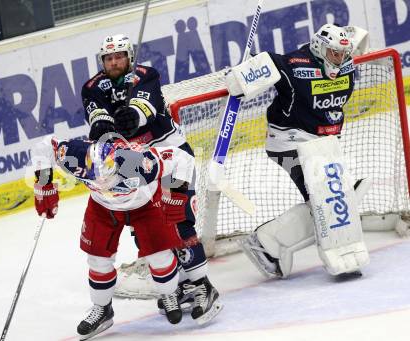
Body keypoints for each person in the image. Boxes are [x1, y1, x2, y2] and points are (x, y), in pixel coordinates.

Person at [80, 34, 222, 325]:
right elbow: (96, 117)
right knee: (147, 227)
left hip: (172, 158)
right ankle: (179, 284)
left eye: (119, 56)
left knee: (179, 220)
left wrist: (132, 114)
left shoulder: (146, 75)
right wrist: (104, 124)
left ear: (129, 56)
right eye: (108, 58)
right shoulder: (92, 87)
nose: (114, 62)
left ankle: (203, 286)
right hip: (135, 164)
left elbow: (146, 107)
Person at [225, 24, 372, 279]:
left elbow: (357, 36)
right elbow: (256, 71)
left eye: (342, 54)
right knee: (326, 199)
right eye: (333, 53)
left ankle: (267, 243)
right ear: (318, 47)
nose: (339, 59)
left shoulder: (345, 61)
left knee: (333, 199)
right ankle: (265, 242)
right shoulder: (294, 65)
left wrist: (348, 41)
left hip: (322, 144)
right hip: (289, 142)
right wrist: (242, 75)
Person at [32, 135, 200, 339]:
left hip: (144, 204)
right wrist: (44, 185)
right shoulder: (72, 154)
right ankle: (102, 309)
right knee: (97, 260)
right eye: (94, 176)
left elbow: (183, 159)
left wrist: (176, 194)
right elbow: (42, 147)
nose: (101, 182)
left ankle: (169, 293)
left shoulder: (141, 162)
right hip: (102, 207)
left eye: (107, 177)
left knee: (159, 256)